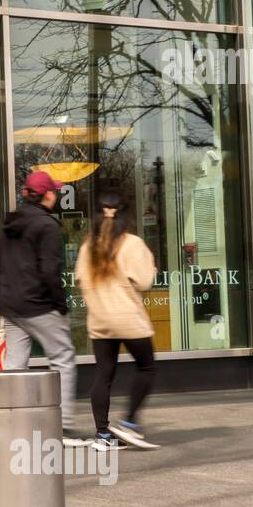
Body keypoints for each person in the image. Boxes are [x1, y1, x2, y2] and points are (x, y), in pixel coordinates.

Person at [0, 171, 87, 444]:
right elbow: (50, 271)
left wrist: (4, 295)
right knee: (63, 358)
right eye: (54, 192)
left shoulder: (6, 225)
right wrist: (60, 304)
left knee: (14, 365)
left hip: (11, 306)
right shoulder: (47, 226)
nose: (55, 195)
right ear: (46, 195)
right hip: (39, 305)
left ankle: (6, 423)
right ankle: (64, 427)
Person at [75, 188, 160, 451]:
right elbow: (145, 282)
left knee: (104, 373)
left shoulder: (88, 245)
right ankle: (131, 423)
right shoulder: (132, 243)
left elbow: (79, 279)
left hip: (99, 320)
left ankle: (102, 434)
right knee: (146, 366)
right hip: (128, 318)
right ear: (125, 214)